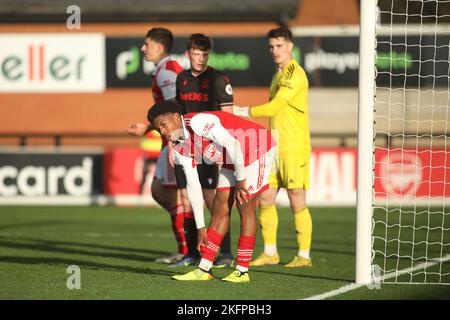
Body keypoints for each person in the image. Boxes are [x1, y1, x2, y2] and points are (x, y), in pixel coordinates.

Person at [147, 100, 276, 282]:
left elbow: (233, 145)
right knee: (219, 208)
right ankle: (204, 269)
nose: (163, 132)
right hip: (231, 158)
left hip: (255, 147)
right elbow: (193, 185)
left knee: (245, 205)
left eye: (163, 124)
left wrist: (241, 180)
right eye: (158, 129)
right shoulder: (177, 146)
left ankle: (242, 270)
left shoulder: (198, 123)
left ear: (176, 117)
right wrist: (201, 228)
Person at [233, 27, 313, 267]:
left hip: (294, 147)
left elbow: (274, 108)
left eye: (279, 46)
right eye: (271, 46)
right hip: (274, 146)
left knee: (297, 199)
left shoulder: (294, 74)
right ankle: (270, 253)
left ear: (290, 46)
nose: (275, 51)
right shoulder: (277, 74)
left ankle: (304, 256)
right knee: (265, 199)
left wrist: (240, 112)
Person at [169, 33, 235, 268]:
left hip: (210, 147)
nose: (201, 58)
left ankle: (224, 253)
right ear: (189, 54)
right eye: (197, 53)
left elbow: (228, 116)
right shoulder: (181, 79)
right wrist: (172, 144)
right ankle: (191, 254)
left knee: (212, 201)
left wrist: (223, 149)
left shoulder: (218, 79)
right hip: (186, 146)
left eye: (205, 54)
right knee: (186, 199)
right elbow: (177, 114)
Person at [128, 27, 186, 264]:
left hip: (175, 139)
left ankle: (192, 250)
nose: (143, 48)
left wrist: (172, 141)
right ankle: (189, 248)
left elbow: (175, 108)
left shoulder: (168, 72)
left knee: (173, 193)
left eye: (146, 44)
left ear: (159, 47)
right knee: (164, 192)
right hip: (169, 138)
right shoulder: (164, 70)